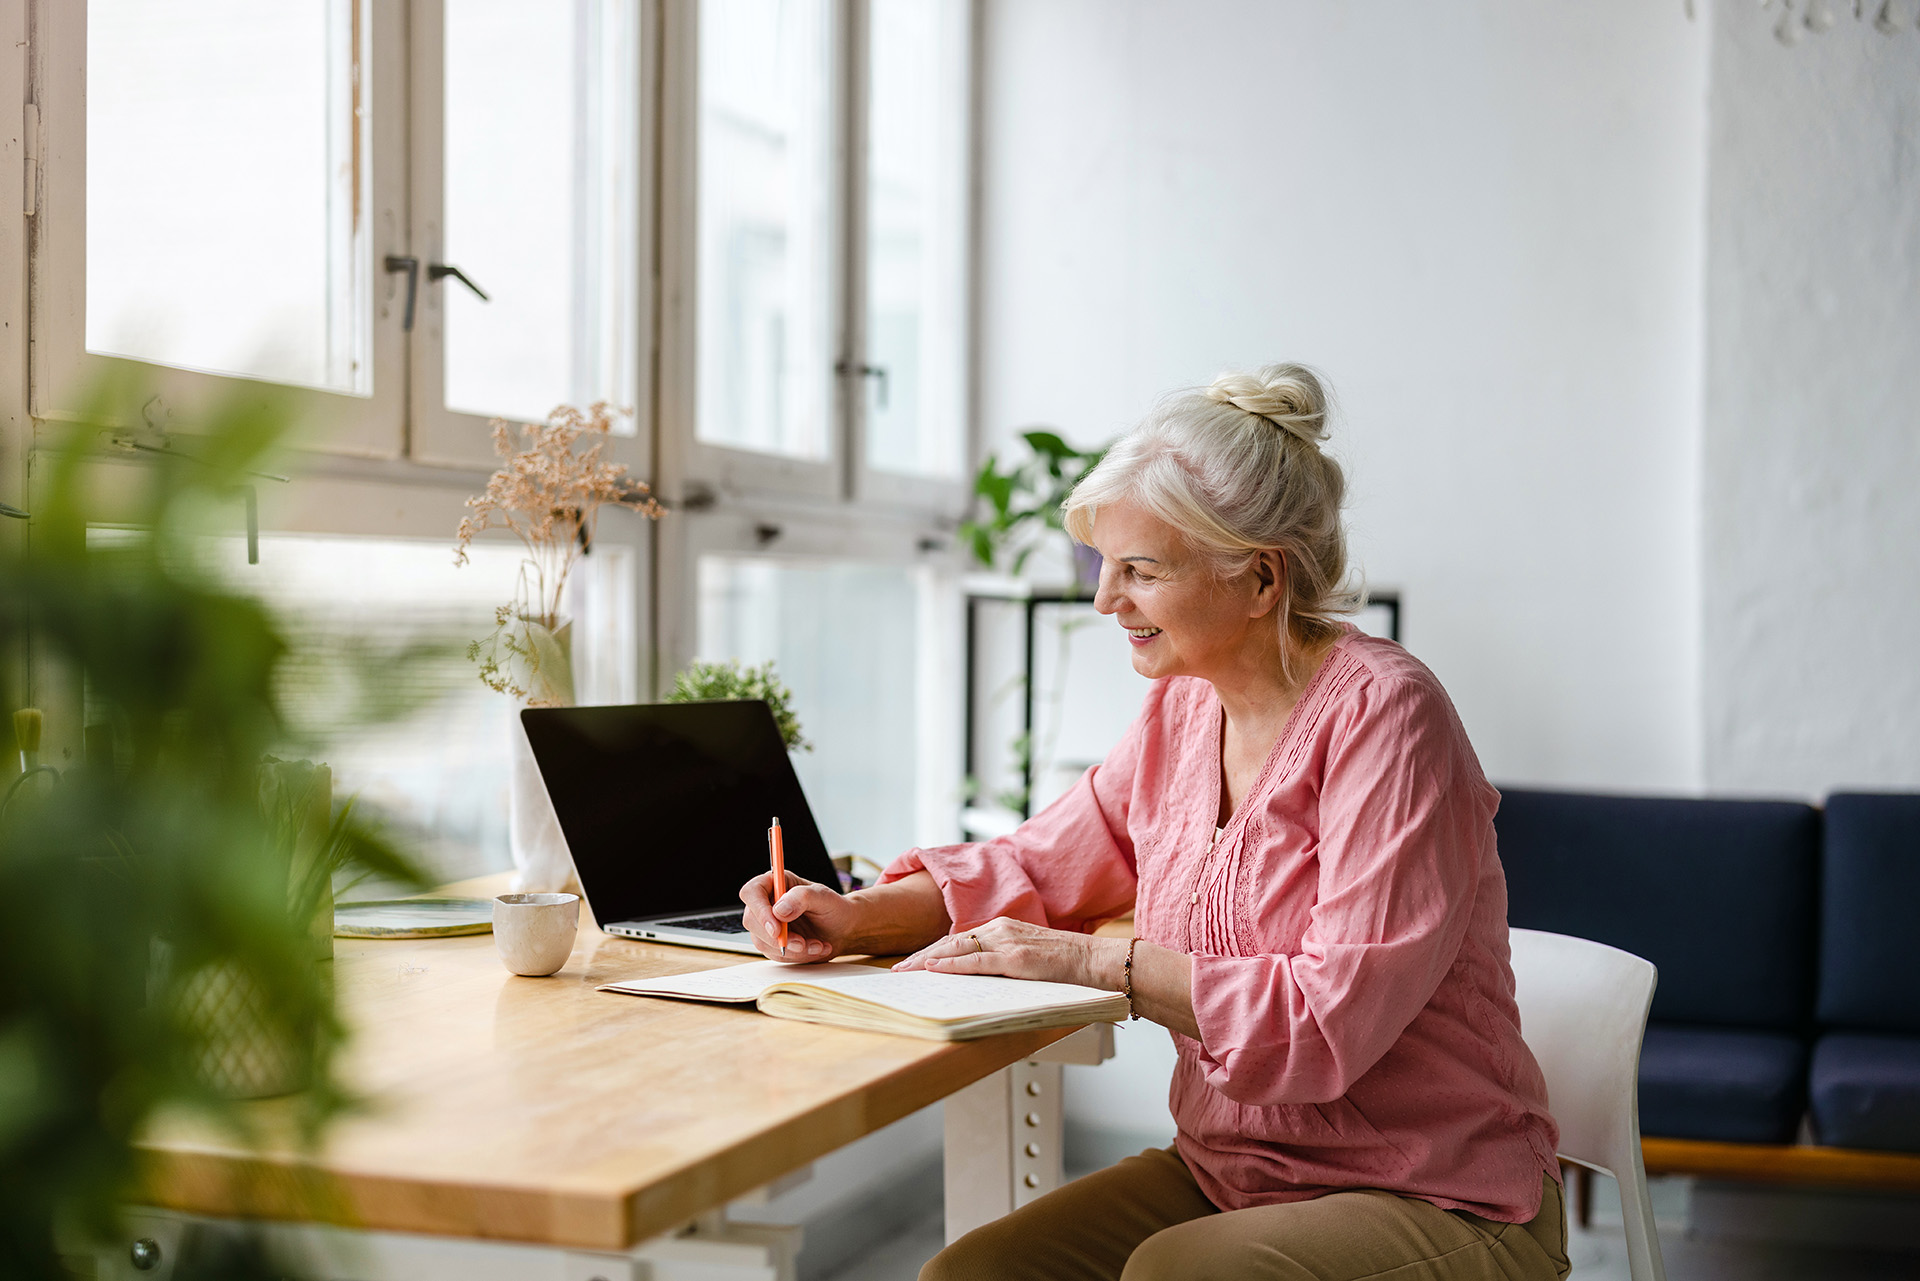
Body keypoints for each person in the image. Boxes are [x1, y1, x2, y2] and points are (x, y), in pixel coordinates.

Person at [738, 364, 1569, 1281]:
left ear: (1259, 578)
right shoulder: (1183, 710)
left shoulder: (1387, 715)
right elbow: (1041, 866)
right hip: (1233, 1175)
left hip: (1436, 1192)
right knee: (967, 1277)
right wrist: (860, 912)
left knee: (1178, 1275)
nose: (1105, 601)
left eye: (1141, 571)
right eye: (1107, 568)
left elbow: (1327, 1023)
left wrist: (1101, 963)